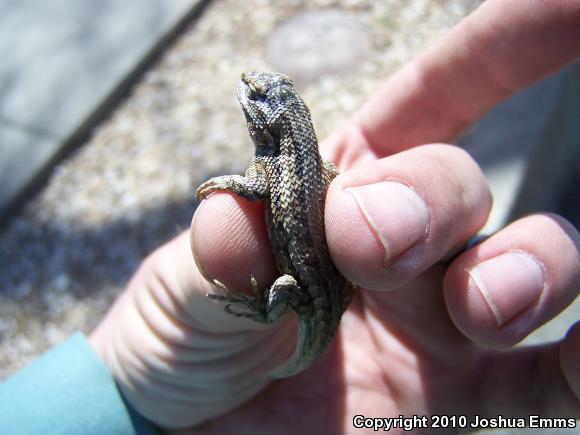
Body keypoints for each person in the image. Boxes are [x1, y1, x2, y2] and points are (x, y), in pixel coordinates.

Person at [1, 0, 579, 433]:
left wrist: (227, 188)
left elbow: (251, 188)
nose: (245, 93)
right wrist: (120, 391)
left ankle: (263, 315)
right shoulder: (296, 158)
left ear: (269, 119)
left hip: (302, 290)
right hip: (313, 303)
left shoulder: (276, 165)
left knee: (278, 289)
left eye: (255, 94)